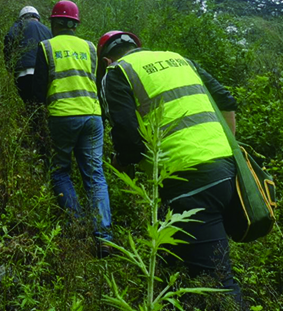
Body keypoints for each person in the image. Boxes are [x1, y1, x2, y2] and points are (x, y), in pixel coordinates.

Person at [97, 30, 244, 305]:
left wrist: (123, 162)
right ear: (137, 46)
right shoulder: (179, 59)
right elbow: (226, 101)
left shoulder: (117, 72)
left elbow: (128, 138)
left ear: (106, 60)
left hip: (186, 179)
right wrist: (226, 150)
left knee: (220, 287)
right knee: (175, 267)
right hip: (226, 171)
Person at [32, 0, 113, 257]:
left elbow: (37, 88)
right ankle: (104, 237)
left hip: (62, 116)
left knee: (60, 172)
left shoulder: (46, 46)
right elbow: (96, 80)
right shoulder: (90, 47)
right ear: (75, 24)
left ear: (54, 22)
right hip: (92, 116)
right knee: (95, 175)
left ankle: (76, 228)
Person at [4, 6, 52, 105]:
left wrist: (9, 67)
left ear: (22, 17)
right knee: (43, 105)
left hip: (23, 73)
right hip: (43, 74)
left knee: (29, 105)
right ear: (37, 17)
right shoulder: (47, 31)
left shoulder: (18, 26)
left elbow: (9, 42)